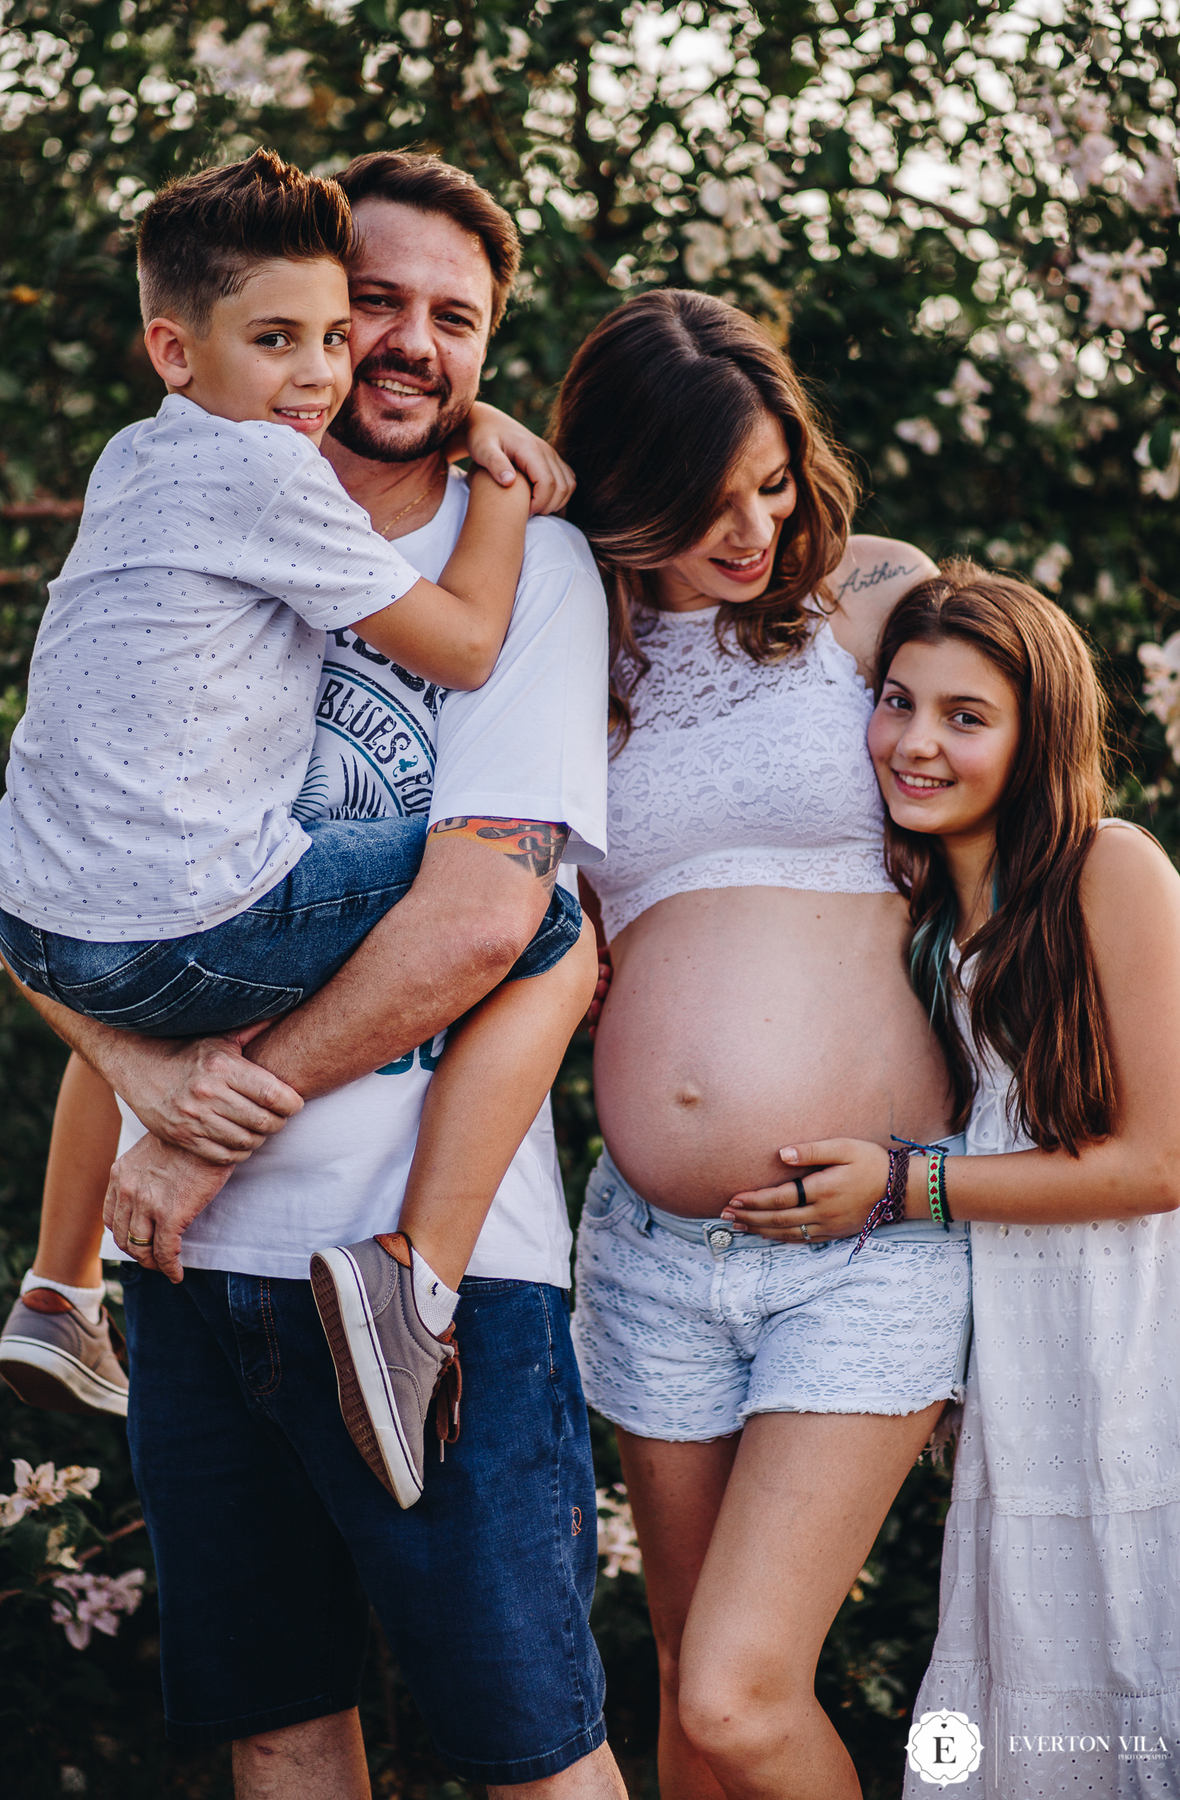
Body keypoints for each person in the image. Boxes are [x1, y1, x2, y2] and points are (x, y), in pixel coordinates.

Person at [0, 151, 626, 1799]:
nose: (400, 346)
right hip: (196, 1284)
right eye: (371, 309)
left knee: (532, 1753)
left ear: (487, 350)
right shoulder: (195, 533)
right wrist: (146, 1085)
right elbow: (40, 880)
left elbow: (489, 911)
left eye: (451, 319)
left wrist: (193, 1127)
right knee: (279, 1735)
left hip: (436, 1279)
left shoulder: (531, 570)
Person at [556, 287, 970, 1800]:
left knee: (738, 1695)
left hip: (870, 1229)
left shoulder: (873, 598)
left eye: (773, 482)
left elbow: (1012, 781)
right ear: (617, 490)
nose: (750, 530)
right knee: (687, 1692)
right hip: (659, 1250)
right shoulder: (557, 652)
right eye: (703, 499)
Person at [723, 564, 1180, 1800]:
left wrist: (904, 1187)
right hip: (1023, 1356)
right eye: (895, 699)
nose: (914, 742)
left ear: (1040, 738)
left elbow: (1159, 1163)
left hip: (1137, 1343)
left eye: (966, 717)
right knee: (1049, 1666)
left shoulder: (1110, 870)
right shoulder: (923, 904)